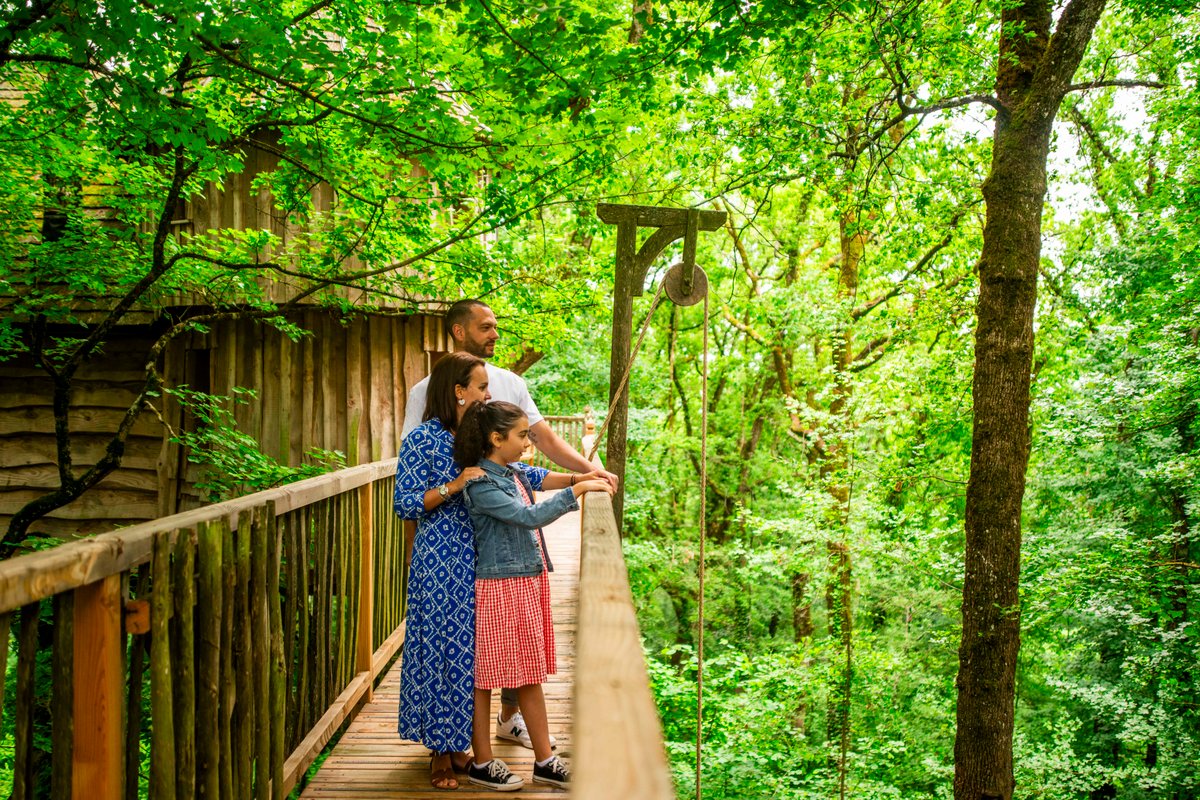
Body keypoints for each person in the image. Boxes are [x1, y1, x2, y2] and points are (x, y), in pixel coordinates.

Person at [401, 298, 618, 746]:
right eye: (486, 326)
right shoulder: (424, 414)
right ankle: (448, 749)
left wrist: (586, 472)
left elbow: (532, 458)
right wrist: (452, 490)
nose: (487, 394)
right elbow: (409, 493)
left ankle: (488, 732)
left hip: (490, 552)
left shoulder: (494, 408)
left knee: (484, 652)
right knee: (453, 651)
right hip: (449, 550)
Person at [454, 400, 613, 790]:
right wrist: (579, 491)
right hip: (496, 587)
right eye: (523, 435)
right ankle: (483, 762)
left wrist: (582, 477)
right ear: (496, 439)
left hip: (525, 581)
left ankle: (545, 760)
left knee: (528, 672)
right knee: (484, 677)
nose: (529, 442)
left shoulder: (512, 472)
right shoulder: (481, 484)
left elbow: (540, 477)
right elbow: (528, 516)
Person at [393, 352, 491, 790]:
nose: (487, 394)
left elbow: (518, 470)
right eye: (481, 387)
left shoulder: (476, 438)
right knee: (438, 648)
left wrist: (579, 479)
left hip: (479, 554)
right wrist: (453, 486)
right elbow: (405, 503)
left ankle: (459, 745)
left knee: (469, 651)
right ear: (459, 391)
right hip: (439, 557)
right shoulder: (422, 440)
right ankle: (438, 751)